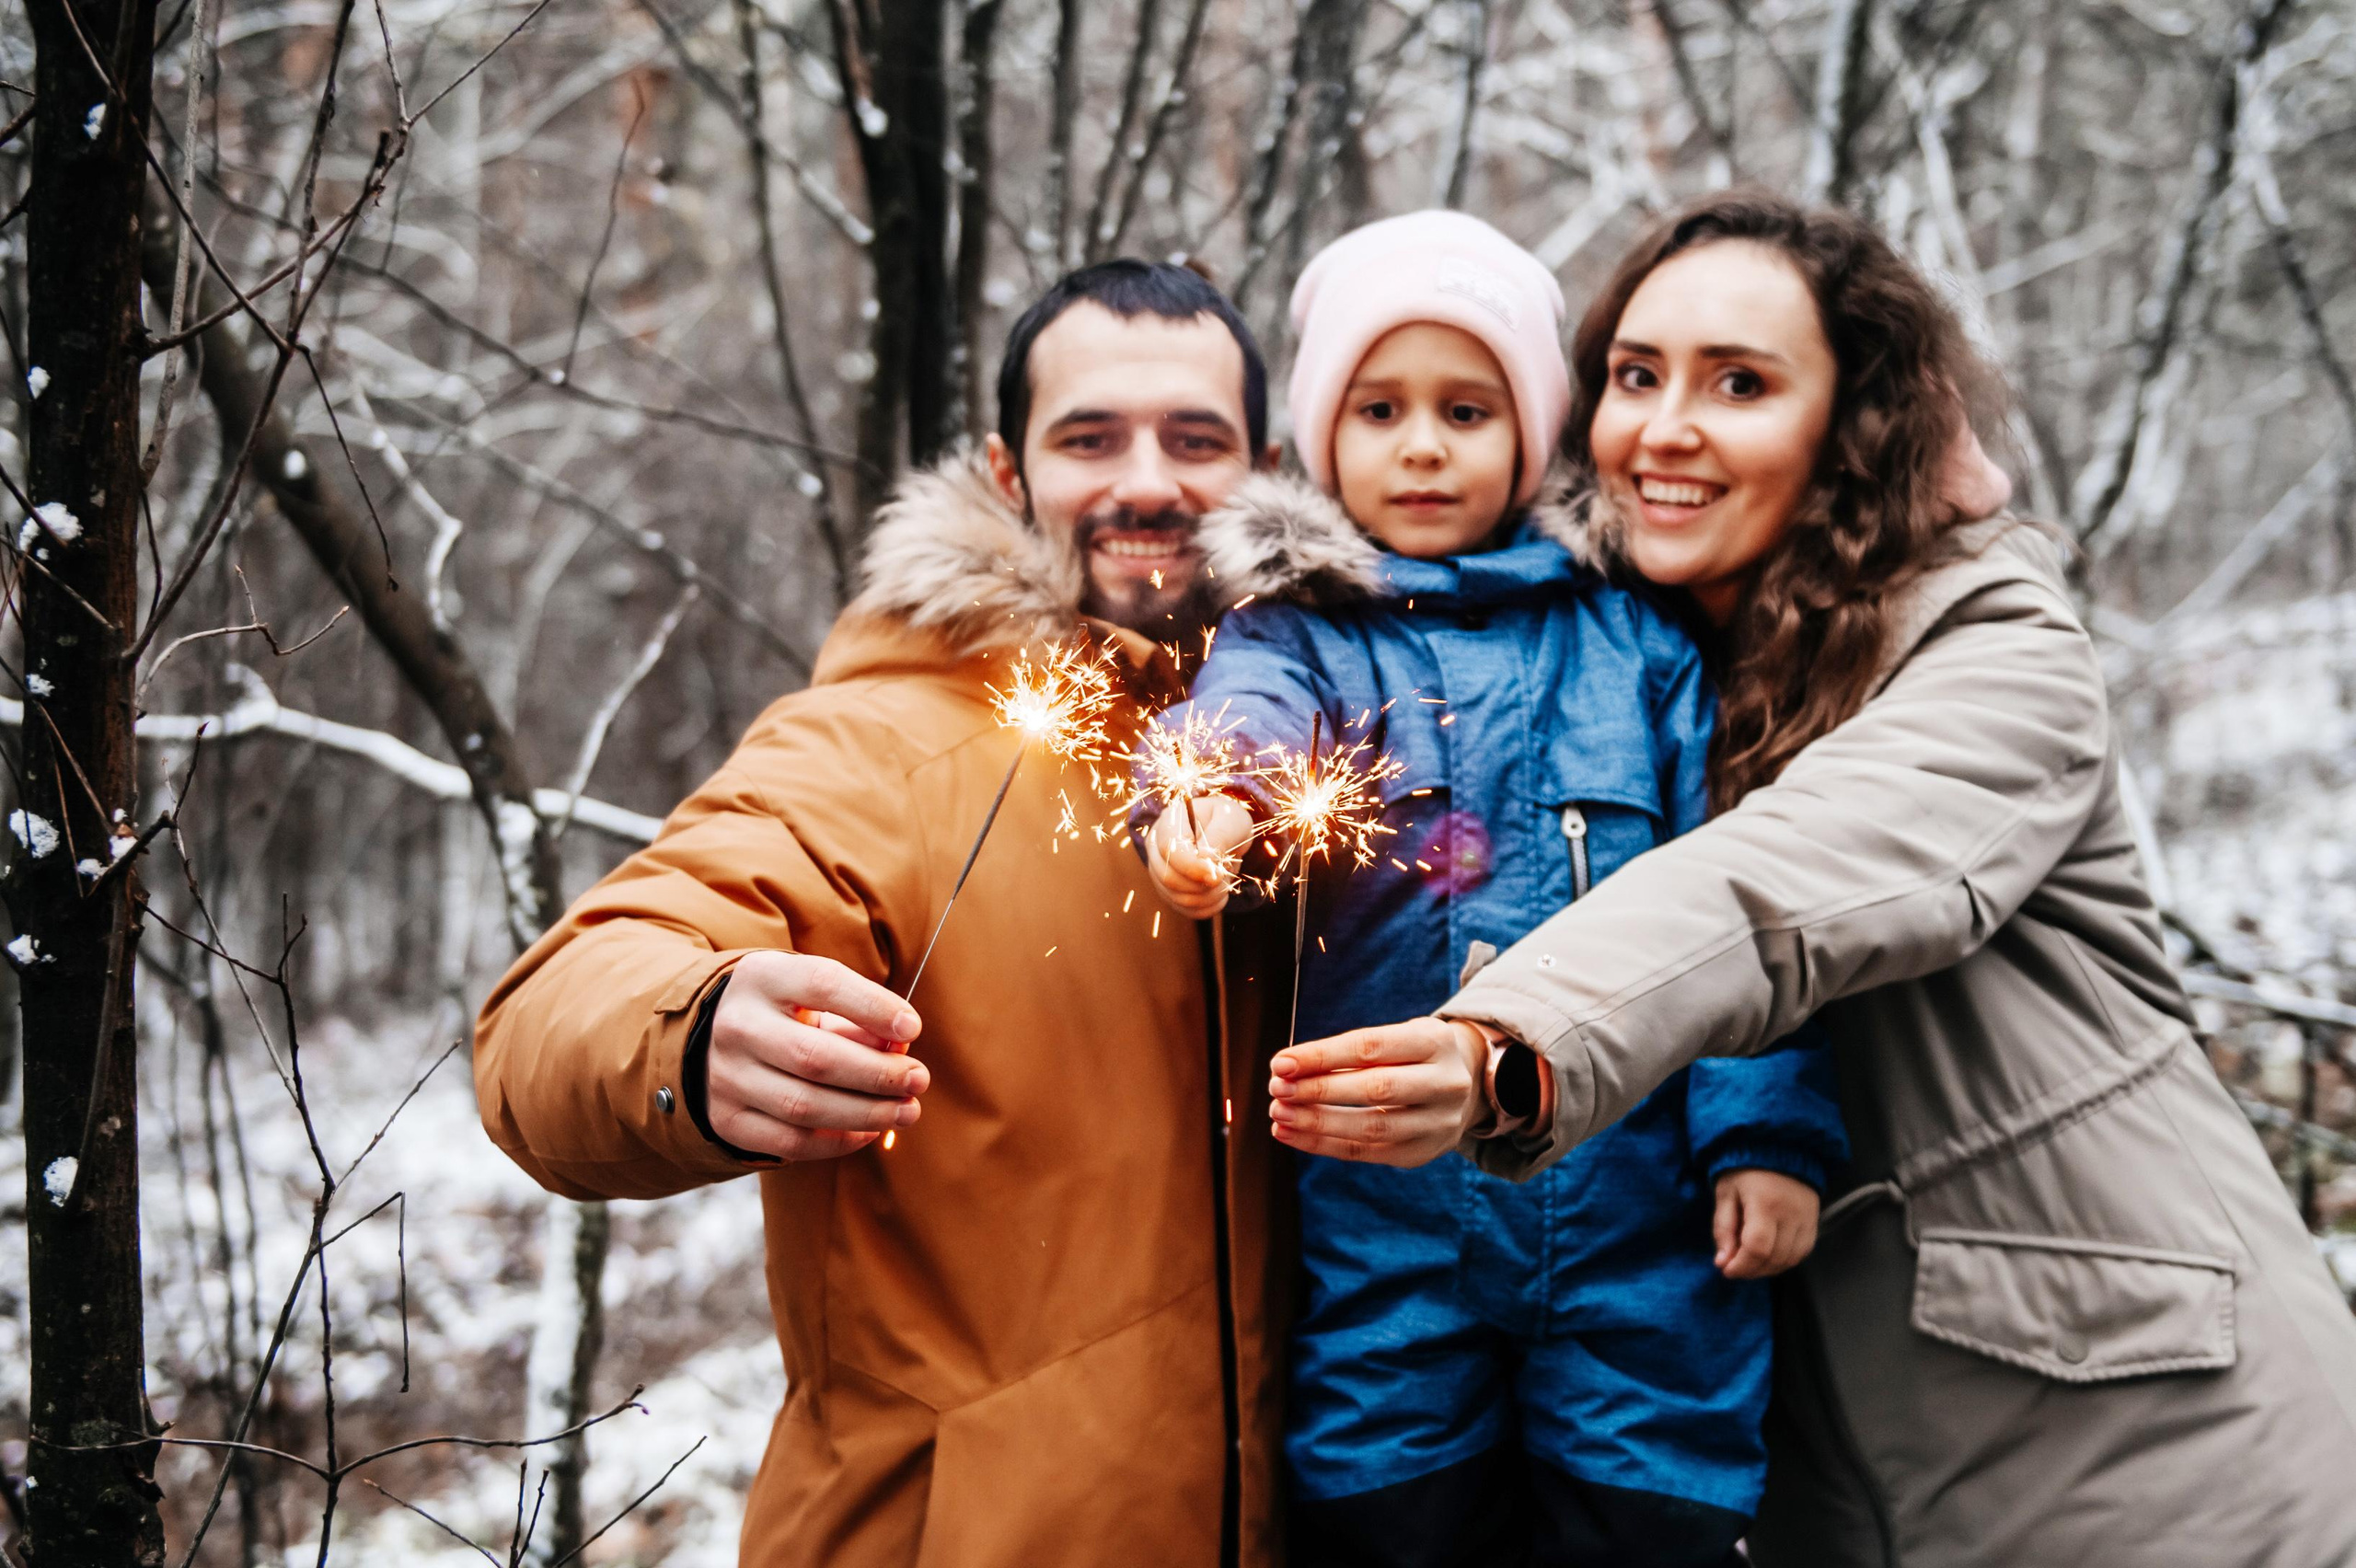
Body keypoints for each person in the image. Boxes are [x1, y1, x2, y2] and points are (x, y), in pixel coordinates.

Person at [1269, 191, 2356, 1566]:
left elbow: (1773, 890)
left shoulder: (1992, 645)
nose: (1667, 429)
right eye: (1636, 377)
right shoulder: (1639, 655)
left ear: (1850, 426)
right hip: (1851, 1468)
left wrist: (1507, 1042)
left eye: (1740, 384)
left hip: (2148, 1431)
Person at [473, 260, 1296, 1567]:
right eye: (1090, 438)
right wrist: (692, 1032)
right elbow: (547, 1024)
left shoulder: (1321, 753)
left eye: (1196, 440)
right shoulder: (883, 748)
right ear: (1009, 473)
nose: (1147, 482)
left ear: (1266, 468)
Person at [1137, 212, 1849, 1568]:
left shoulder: (1635, 642)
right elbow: (1245, 723)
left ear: (1533, 434)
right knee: (1390, 1509)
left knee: (1650, 1511)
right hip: (1386, 1225)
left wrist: (1766, 1136)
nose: (1422, 446)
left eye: (1466, 411)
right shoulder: (1300, 637)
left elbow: (1736, 896)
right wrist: (1210, 803)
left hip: (1638, 1215)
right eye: (1381, 410)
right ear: (1321, 436)